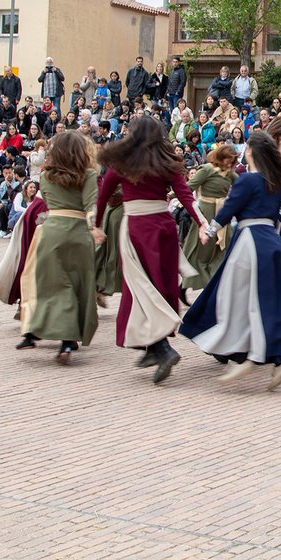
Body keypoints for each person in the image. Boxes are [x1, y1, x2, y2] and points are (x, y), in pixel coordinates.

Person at [177, 131, 281, 389]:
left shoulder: (247, 181)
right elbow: (278, 212)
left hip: (250, 241)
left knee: (239, 299)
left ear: (250, 152)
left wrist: (209, 232)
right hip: (274, 243)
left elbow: (228, 210)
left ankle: (250, 355)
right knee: (275, 301)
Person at [97, 116, 203, 384]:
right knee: (158, 285)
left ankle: (162, 349)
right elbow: (185, 195)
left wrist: (95, 226)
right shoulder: (168, 163)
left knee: (140, 289)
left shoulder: (121, 163)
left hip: (136, 230)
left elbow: (102, 197)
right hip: (164, 228)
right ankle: (150, 348)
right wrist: (201, 222)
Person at [9, 131, 104, 364]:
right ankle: (68, 340)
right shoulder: (89, 174)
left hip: (52, 231)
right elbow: (91, 204)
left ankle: (36, 332)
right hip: (80, 233)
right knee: (76, 285)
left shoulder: (46, 177)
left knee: (50, 285)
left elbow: (48, 204)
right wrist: (93, 227)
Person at [182, 145, 238, 294]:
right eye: (228, 159)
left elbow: (242, 187)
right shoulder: (206, 169)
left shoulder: (230, 174)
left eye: (233, 160)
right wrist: (171, 195)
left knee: (221, 249)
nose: (230, 163)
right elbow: (189, 187)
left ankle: (216, 284)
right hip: (206, 212)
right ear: (220, 156)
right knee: (201, 250)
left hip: (222, 213)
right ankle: (186, 284)